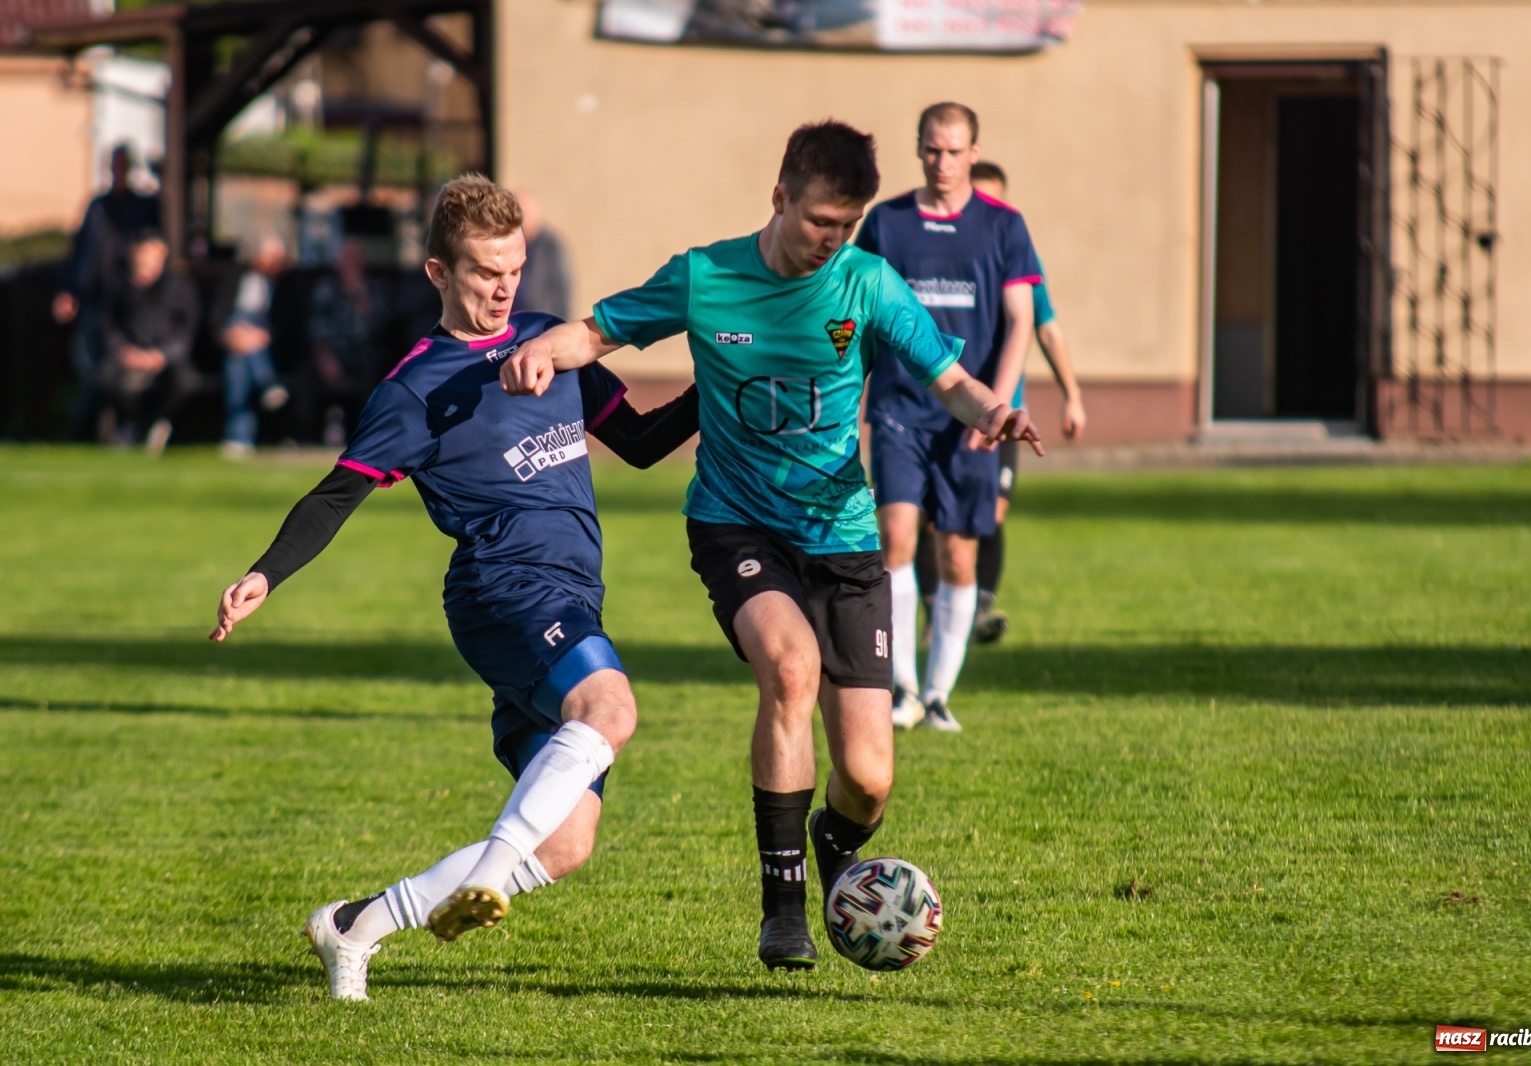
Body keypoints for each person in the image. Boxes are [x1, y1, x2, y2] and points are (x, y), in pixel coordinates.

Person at [496, 121, 1042, 970]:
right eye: (821, 220)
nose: (833, 239)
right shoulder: (706, 276)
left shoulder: (868, 282)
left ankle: (834, 845)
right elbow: (597, 332)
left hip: (843, 537)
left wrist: (995, 412)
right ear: (779, 196)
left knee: (870, 778)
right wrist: (540, 352)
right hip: (736, 524)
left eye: (848, 225)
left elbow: (950, 381)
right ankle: (783, 911)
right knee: (789, 667)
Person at [209, 175, 699, 1001]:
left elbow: (644, 444)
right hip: (502, 591)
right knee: (611, 710)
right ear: (439, 271)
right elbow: (337, 494)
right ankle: (490, 873)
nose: (504, 287)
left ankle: (353, 925)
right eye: (484, 271)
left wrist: (719, 383)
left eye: (514, 268)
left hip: (570, 598)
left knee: (567, 843)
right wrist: (265, 572)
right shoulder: (416, 388)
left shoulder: (550, 343)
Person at [856, 103, 1038, 733]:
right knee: (895, 538)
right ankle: (904, 687)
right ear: (918, 149)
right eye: (932, 150)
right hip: (900, 409)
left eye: (955, 151)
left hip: (971, 415)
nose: (942, 162)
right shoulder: (886, 223)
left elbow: (1021, 321)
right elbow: (856, 314)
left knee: (959, 557)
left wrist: (997, 408)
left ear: (973, 152)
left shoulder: (1004, 225)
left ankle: (938, 694)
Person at [914, 161, 1088, 645]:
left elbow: (1045, 329)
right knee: (926, 518)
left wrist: (1072, 396)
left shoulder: (1018, 260)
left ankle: (976, 610)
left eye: (992, 200)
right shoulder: (936, 252)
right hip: (934, 409)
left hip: (1000, 413)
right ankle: (936, 613)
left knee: (989, 513)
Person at [54, 144, 162, 439]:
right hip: (94, 299)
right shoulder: (98, 207)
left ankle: (124, 425)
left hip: (129, 303)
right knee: (90, 364)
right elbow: (80, 254)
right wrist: (69, 291)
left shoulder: (144, 207)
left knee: (122, 364)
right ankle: (92, 424)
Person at [97, 229, 200, 453]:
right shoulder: (119, 285)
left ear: (162, 254)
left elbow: (186, 331)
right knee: (107, 378)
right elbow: (108, 326)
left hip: (165, 358)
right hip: (129, 355)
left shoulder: (179, 286)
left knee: (186, 381)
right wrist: (125, 351)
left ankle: (154, 424)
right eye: (141, 256)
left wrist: (162, 355)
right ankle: (132, 424)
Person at [299, 241, 391, 446]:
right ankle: (305, 439)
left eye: (354, 259)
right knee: (307, 371)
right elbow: (316, 329)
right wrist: (325, 359)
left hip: (363, 355)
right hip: (331, 354)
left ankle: (367, 437)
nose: (350, 263)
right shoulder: (325, 289)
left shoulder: (375, 289)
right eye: (346, 258)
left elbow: (379, 328)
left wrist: (360, 297)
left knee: (374, 367)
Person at [217, 233, 291, 457]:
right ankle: (267, 383)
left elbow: (286, 324)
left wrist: (264, 336)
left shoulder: (285, 287)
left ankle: (238, 437)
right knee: (239, 353)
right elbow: (218, 316)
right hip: (235, 335)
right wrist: (230, 336)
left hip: (268, 344)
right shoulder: (235, 278)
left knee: (239, 363)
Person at [512, 191, 574, 320]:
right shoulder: (510, 243)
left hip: (543, 323)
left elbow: (562, 290)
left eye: (525, 213)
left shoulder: (551, 246)